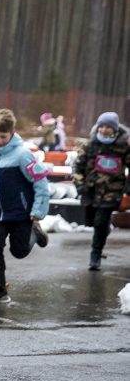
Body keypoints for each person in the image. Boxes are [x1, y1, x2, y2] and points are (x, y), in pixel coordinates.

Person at [0, 108, 50, 303]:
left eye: (3, 137)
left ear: (12, 133)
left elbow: (40, 183)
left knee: (19, 251)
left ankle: (35, 233)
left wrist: (38, 210)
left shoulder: (23, 155)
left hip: (21, 213)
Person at [72, 111, 130, 271]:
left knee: (100, 222)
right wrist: (80, 184)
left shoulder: (123, 147)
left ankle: (95, 255)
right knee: (92, 222)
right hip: (90, 191)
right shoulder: (89, 145)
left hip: (112, 191)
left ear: (115, 129)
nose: (104, 130)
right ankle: (105, 228)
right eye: (101, 126)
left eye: (108, 127)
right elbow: (77, 166)